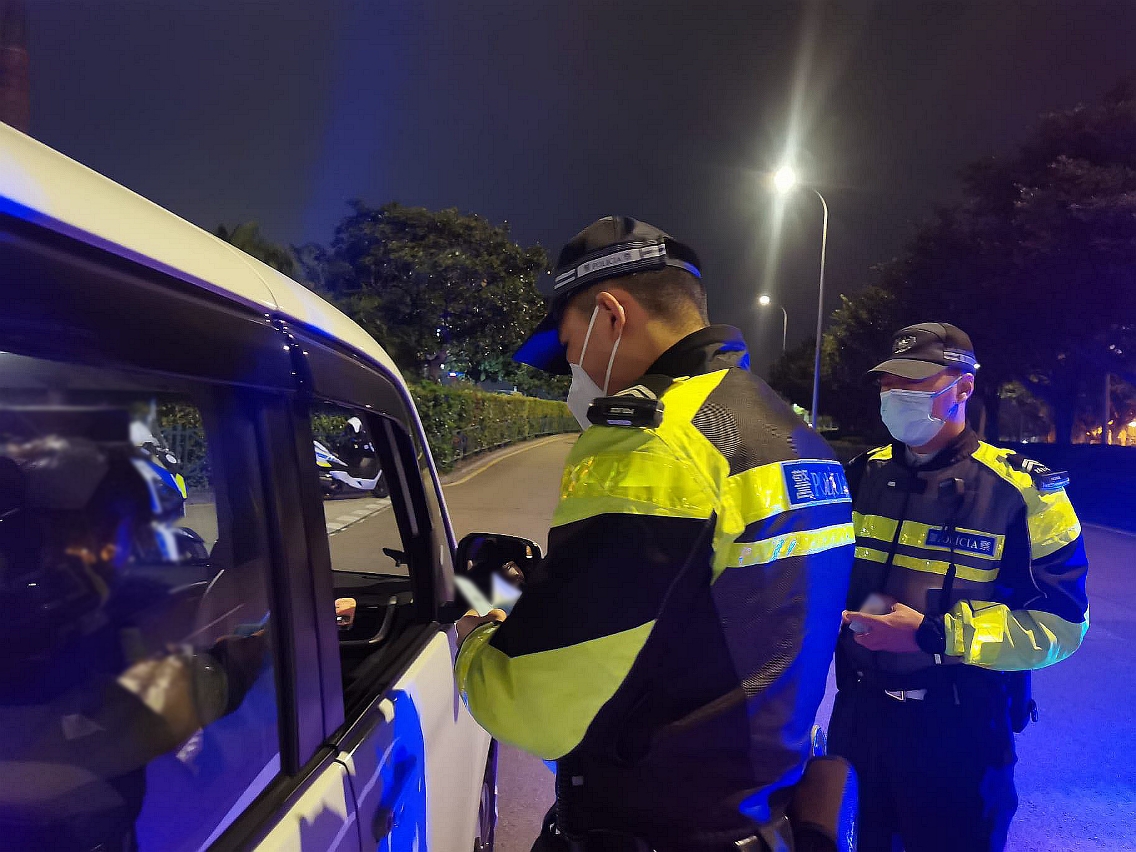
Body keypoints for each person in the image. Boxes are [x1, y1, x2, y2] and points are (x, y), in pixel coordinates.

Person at [454, 216, 855, 851]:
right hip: (758, 815)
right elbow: (711, 614)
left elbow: (530, 710)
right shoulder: (795, 435)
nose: (571, 368)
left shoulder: (653, 442)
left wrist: (478, 626)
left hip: (649, 829)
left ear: (611, 316)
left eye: (569, 346)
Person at [827, 322, 1090, 852]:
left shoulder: (1024, 493)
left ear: (963, 387)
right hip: (858, 721)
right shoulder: (858, 477)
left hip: (960, 732)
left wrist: (935, 635)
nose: (894, 393)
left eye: (913, 380)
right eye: (888, 381)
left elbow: (1063, 626)